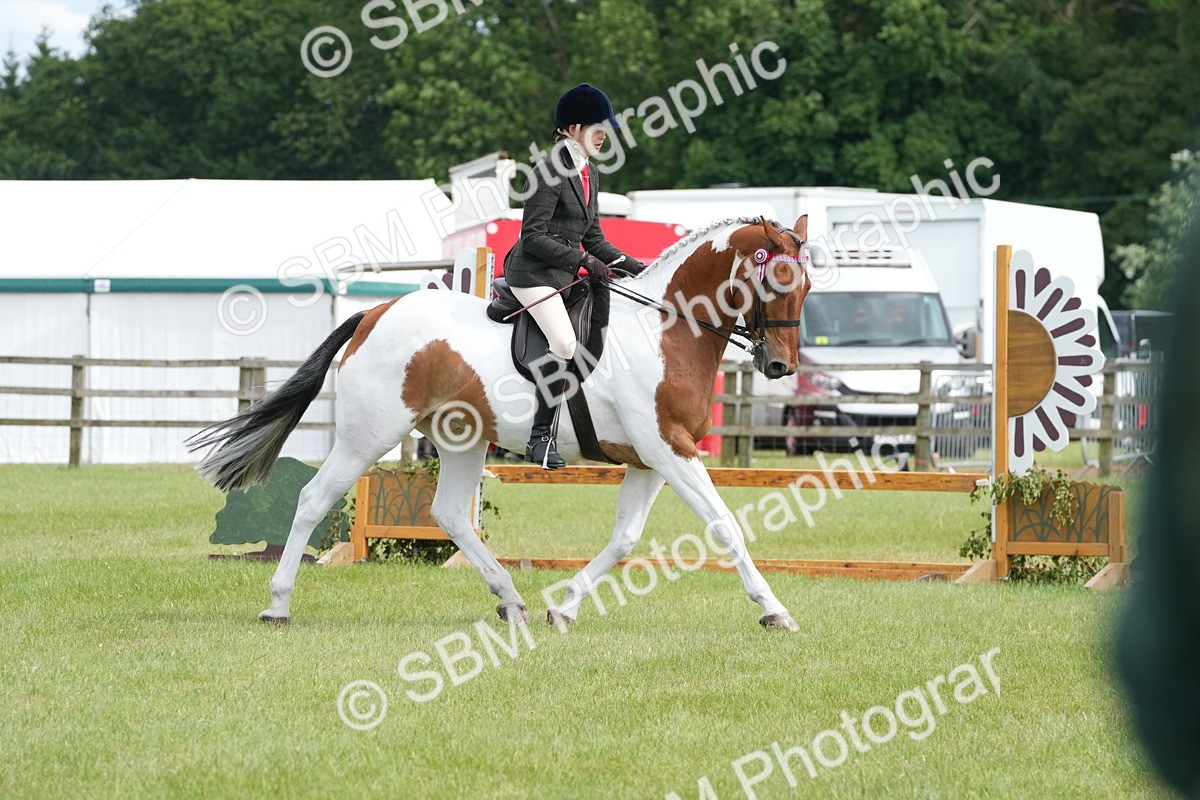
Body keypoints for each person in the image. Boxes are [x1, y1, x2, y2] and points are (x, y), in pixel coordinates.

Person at [503, 83, 647, 469]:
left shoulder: (590, 173)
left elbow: (594, 236)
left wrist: (633, 265)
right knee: (565, 344)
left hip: (562, 274)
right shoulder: (547, 172)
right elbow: (532, 237)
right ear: (571, 129)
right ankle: (539, 440)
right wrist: (584, 261)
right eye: (596, 127)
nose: (604, 135)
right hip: (531, 274)